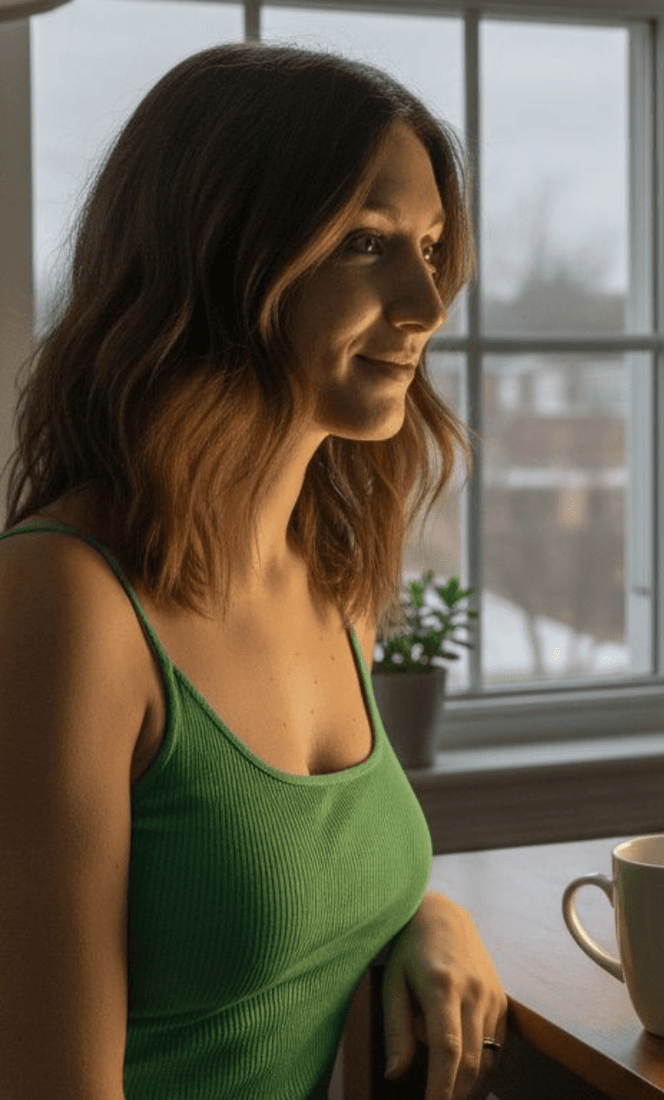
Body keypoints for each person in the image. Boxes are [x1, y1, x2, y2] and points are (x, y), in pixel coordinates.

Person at [0, 42, 506, 1100]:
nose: (426, 300)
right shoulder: (66, 604)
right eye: (366, 244)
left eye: (428, 244)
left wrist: (426, 910)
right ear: (223, 256)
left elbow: (282, 870)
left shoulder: (333, 573)